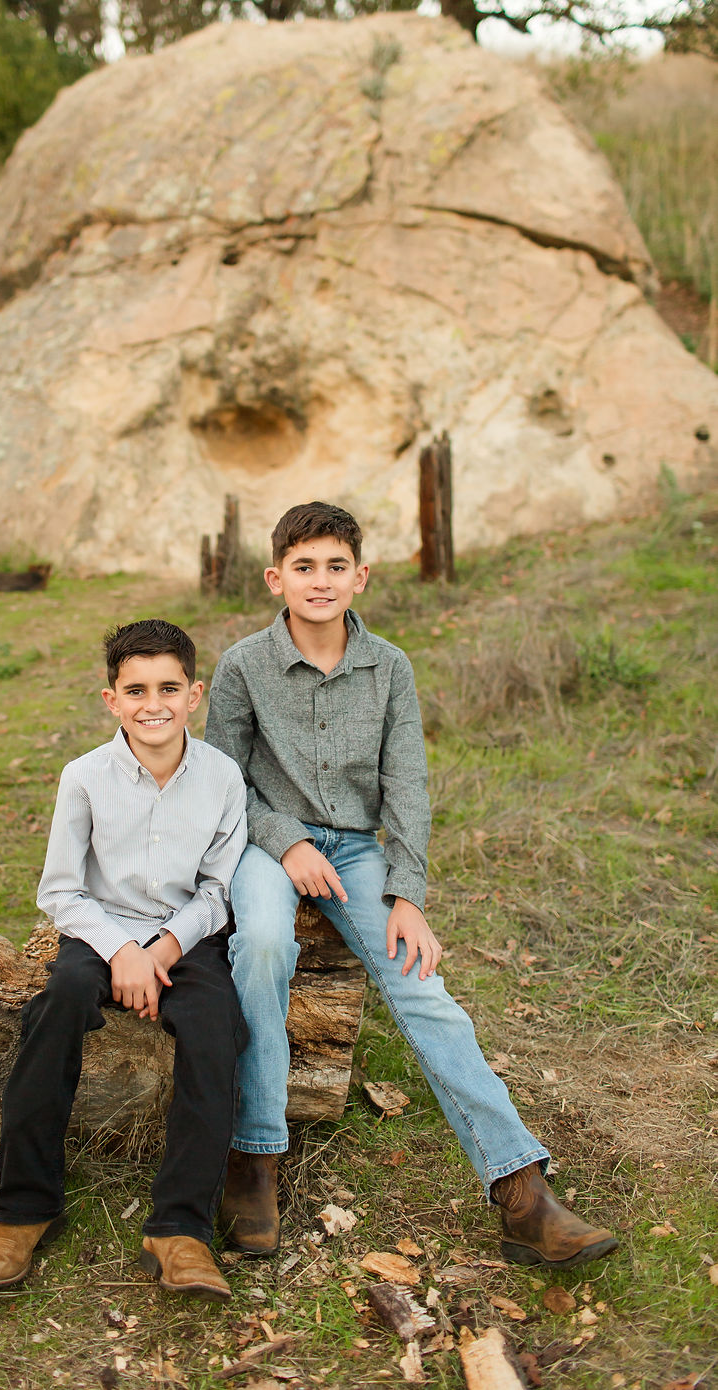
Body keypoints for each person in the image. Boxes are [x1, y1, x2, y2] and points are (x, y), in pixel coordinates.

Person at [204, 502, 618, 1270]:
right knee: (261, 944)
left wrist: (409, 894)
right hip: (266, 847)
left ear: (360, 576)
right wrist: (285, 841)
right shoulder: (241, 667)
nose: (320, 582)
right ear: (275, 578)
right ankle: (251, 1159)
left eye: (336, 566)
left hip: (358, 852)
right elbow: (222, 784)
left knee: (423, 988)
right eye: (304, 567)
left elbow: (409, 788)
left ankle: (521, 1191)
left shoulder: (390, 666)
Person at [0, 619, 248, 1301]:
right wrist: (123, 952)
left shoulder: (223, 778)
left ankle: (179, 1227)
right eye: (136, 689)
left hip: (187, 936)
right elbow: (60, 891)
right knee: (55, 1007)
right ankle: (22, 1211)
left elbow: (217, 890)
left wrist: (164, 950)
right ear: (111, 699)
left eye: (169, 688)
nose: (155, 704)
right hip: (97, 932)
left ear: (195, 693)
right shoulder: (84, 777)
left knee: (217, 1028)